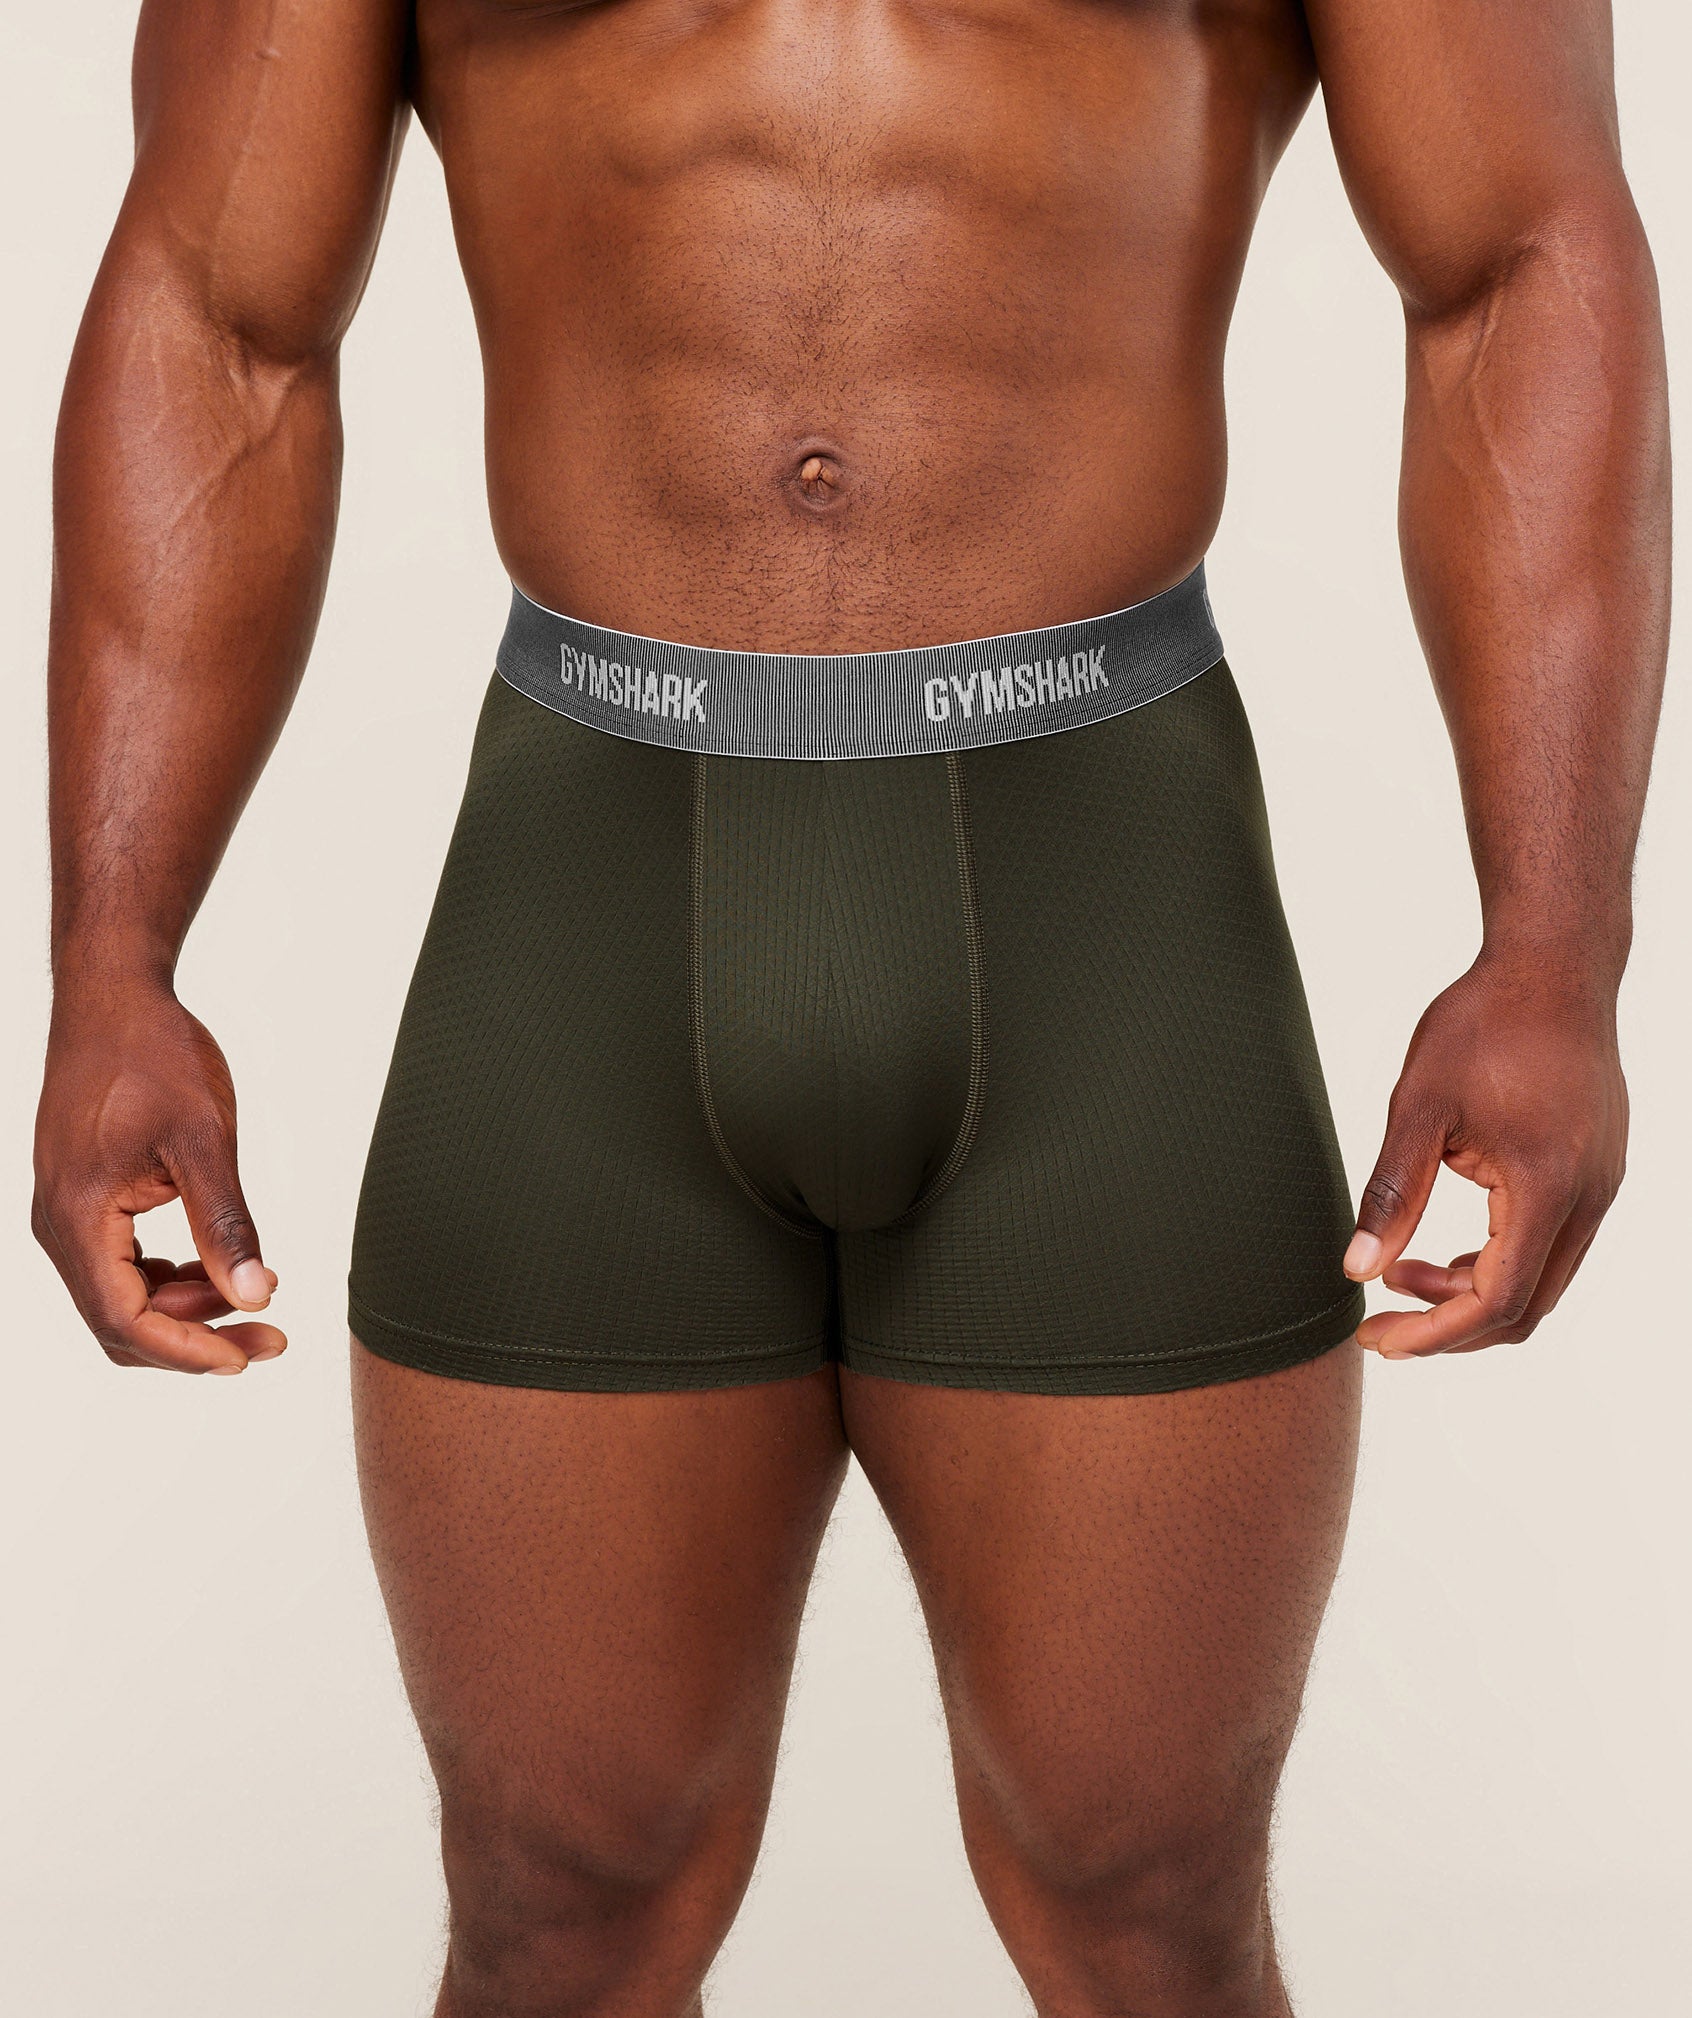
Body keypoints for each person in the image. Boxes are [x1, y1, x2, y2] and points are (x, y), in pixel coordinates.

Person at [31, 1, 1667, 2013]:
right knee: (557, 1907)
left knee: (1147, 1908)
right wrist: (113, 958)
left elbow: (1520, 256)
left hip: (1103, 899)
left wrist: (1557, 947)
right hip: (589, 895)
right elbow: (219, 315)